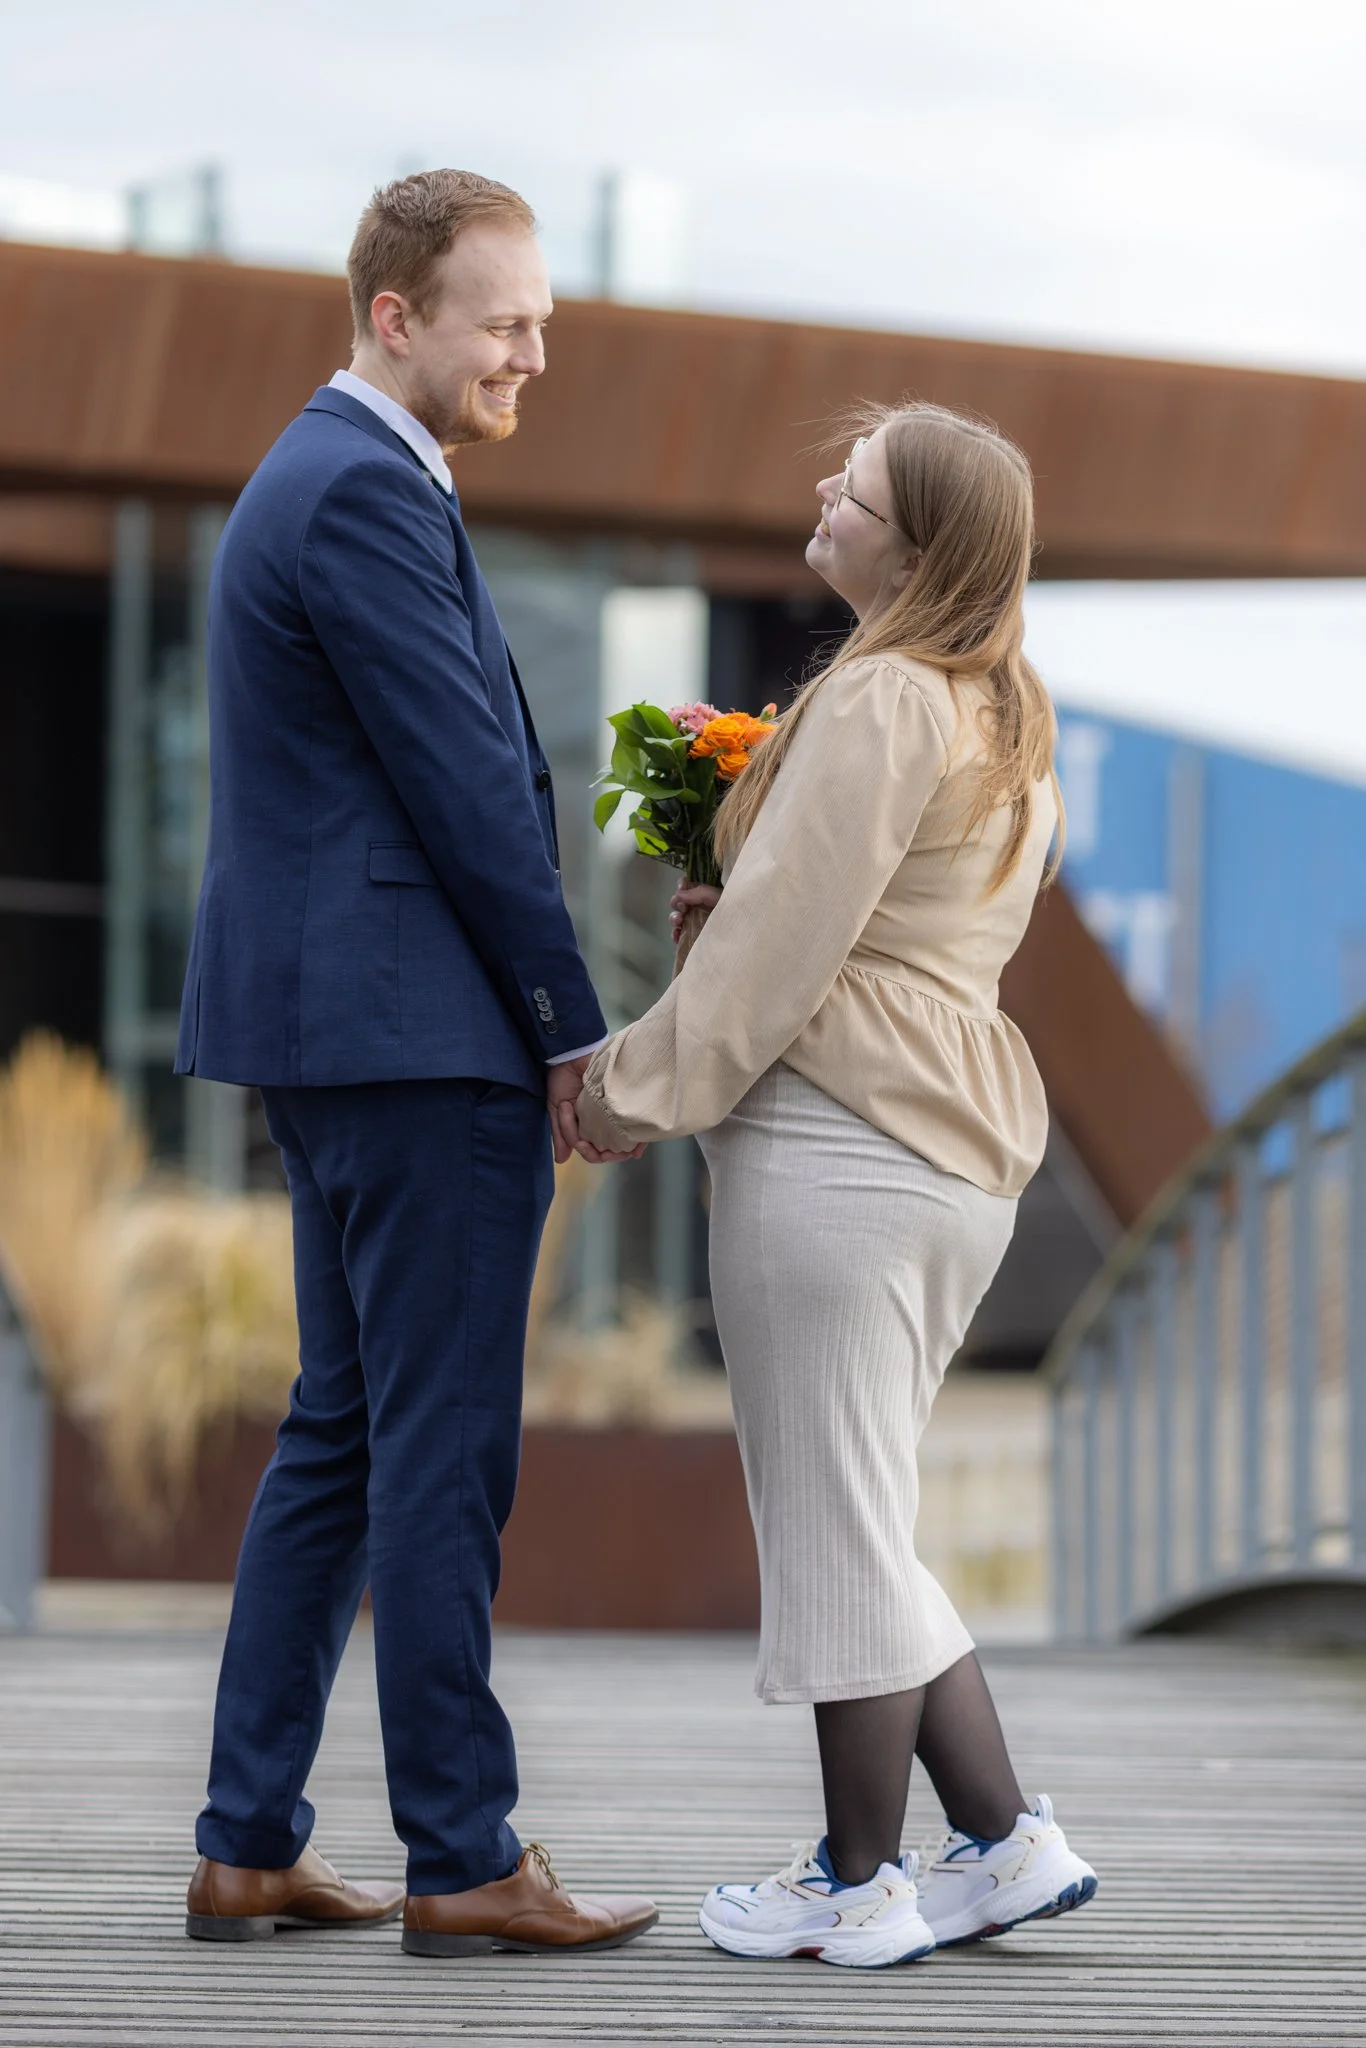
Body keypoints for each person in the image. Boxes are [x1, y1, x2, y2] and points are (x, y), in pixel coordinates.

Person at [175, 169, 654, 1958]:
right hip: (418, 1045)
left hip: (341, 1042)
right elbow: (470, 794)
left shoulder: (327, 473)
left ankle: (246, 1840)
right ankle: (462, 1853)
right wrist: (570, 1032)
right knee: (439, 1457)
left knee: (346, 1435)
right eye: (504, 321)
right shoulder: (363, 490)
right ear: (397, 317)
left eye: (541, 317)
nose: (535, 351)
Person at [569, 403, 1098, 1968]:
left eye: (852, 490)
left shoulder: (879, 700)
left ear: (916, 548)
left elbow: (782, 949)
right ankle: (1000, 1842)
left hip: (840, 1147)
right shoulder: (1006, 715)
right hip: (943, 1156)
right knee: (859, 1510)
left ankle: (856, 1885)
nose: (823, 491)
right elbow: (866, 928)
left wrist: (622, 1092)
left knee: (834, 1525)